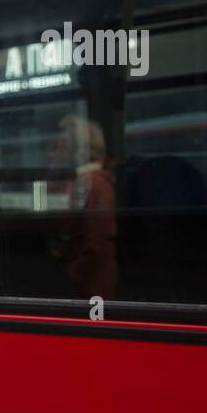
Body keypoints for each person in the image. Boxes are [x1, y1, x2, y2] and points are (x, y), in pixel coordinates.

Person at [49, 115, 118, 300]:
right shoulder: (82, 180)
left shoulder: (93, 183)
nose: (57, 150)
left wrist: (75, 269)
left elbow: (98, 240)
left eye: (63, 144)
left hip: (93, 282)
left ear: (78, 149)